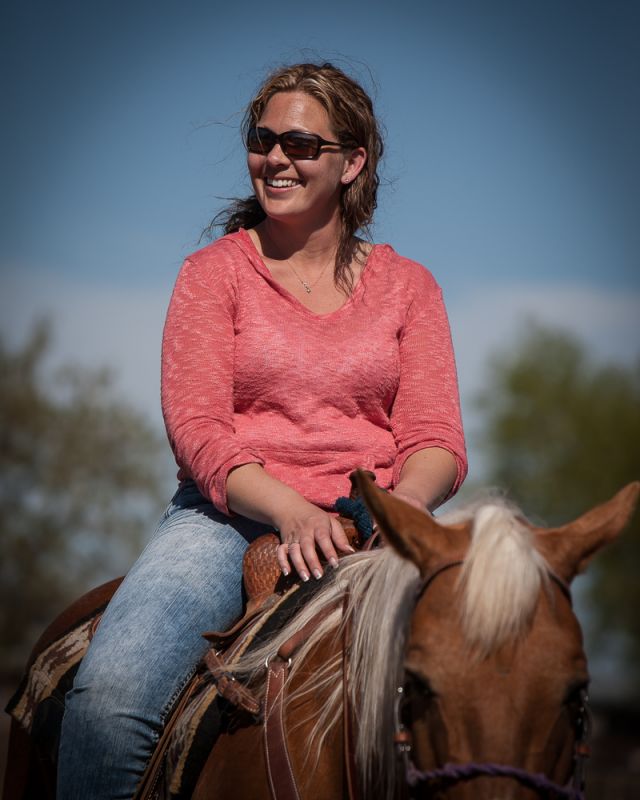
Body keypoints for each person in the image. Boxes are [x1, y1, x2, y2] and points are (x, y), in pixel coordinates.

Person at [57, 61, 467, 799]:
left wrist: (402, 506)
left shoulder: (411, 287)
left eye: (302, 145)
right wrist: (288, 509)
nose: (275, 158)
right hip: (226, 523)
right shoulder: (212, 275)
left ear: (352, 163)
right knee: (111, 701)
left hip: (376, 526)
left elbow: (435, 435)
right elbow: (200, 430)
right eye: (263, 138)